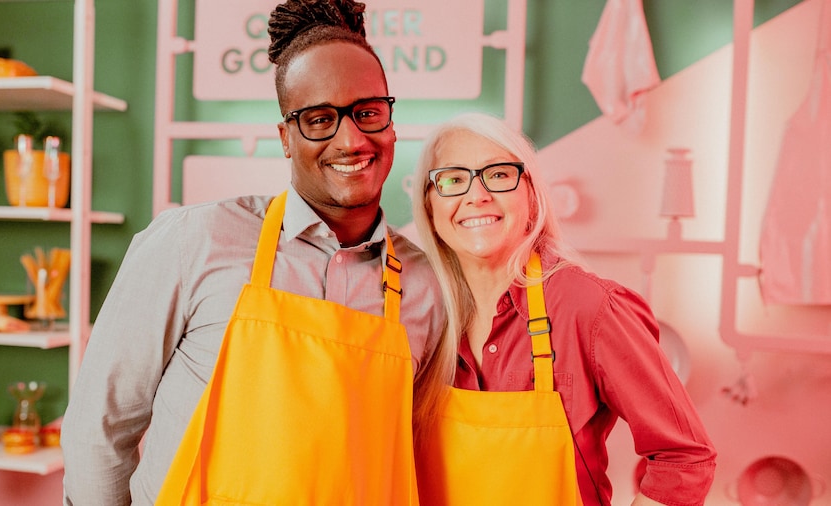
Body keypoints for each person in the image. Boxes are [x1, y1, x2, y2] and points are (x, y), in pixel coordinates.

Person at [61, 1, 444, 504]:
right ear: (286, 138)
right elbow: (100, 428)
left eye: (367, 113)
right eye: (319, 120)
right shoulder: (193, 240)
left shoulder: (426, 285)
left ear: (391, 122)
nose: (351, 139)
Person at [410, 112, 716, 506]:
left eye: (499, 175)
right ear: (430, 207)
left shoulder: (586, 306)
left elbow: (684, 456)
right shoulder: (417, 312)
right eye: (453, 180)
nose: (477, 195)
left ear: (531, 194)